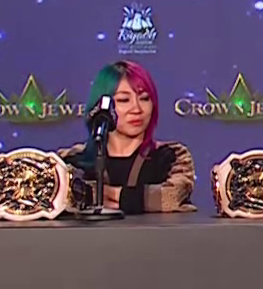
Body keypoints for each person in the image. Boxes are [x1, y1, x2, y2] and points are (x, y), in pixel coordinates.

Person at [57, 60, 194, 214]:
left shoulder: (172, 156)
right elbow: (61, 195)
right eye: (124, 100)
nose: (137, 109)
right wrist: (143, 199)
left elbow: (170, 198)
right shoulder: (71, 160)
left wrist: (103, 194)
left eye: (144, 98)